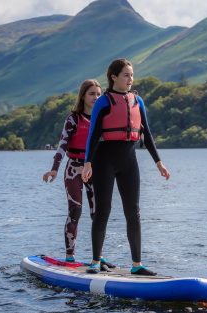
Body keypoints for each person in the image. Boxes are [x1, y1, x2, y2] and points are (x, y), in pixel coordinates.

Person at [82, 58, 170, 276]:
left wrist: (158, 162)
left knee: (133, 212)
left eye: (132, 75)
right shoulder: (103, 101)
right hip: (104, 161)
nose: (130, 79)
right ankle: (95, 261)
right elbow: (93, 135)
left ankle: (137, 264)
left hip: (129, 161)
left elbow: (147, 134)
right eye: (126, 75)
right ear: (114, 77)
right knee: (103, 211)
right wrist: (88, 163)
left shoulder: (137, 101)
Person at [43, 79, 115, 270]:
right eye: (92, 93)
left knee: (97, 214)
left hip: (94, 169)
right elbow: (62, 145)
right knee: (75, 211)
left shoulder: (102, 119)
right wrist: (54, 169)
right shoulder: (73, 119)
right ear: (83, 95)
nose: (96, 97)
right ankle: (70, 256)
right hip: (74, 168)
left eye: (99, 94)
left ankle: (98, 257)